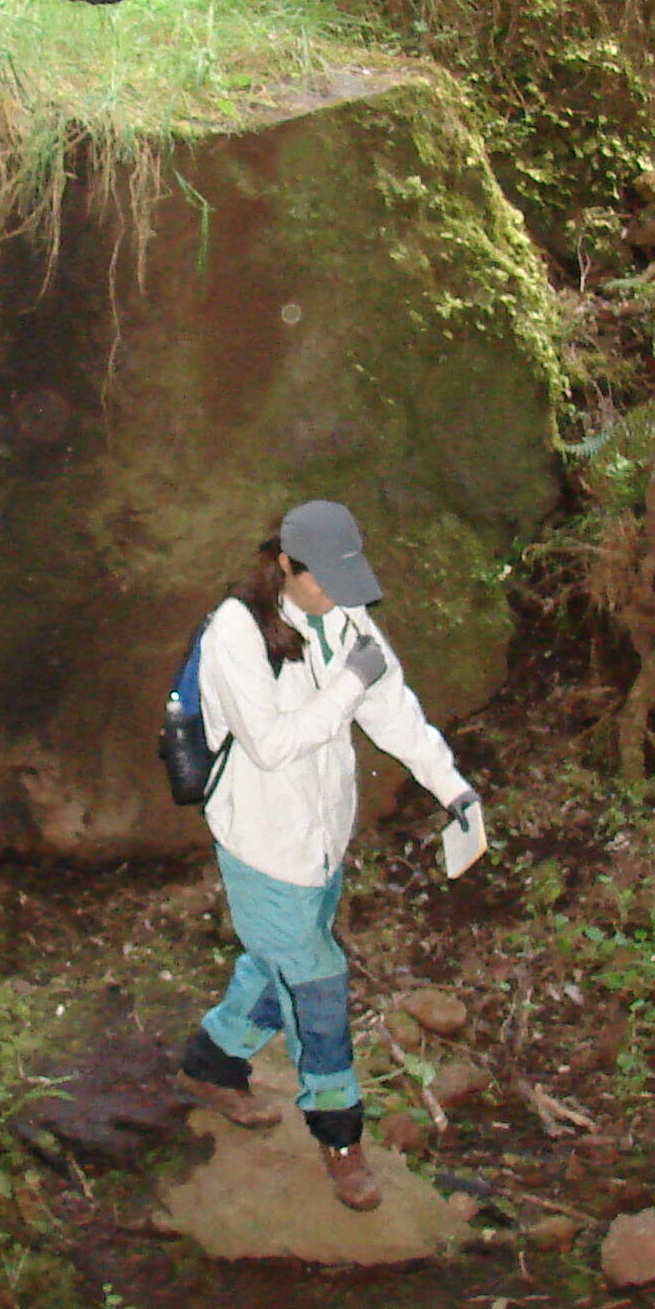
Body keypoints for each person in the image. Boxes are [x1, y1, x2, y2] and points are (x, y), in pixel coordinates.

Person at [169, 499, 480, 1212]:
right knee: (317, 983)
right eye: (324, 579)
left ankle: (209, 1066)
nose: (339, 593)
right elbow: (273, 744)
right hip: (262, 844)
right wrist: (348, 683)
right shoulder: (234, 636)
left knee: (277, 958)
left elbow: (395, 713)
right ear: (286, 564)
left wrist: (455, 791)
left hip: (320, 843)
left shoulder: (347, 620)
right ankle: (341, 1139)